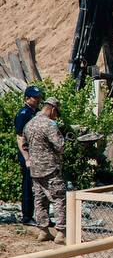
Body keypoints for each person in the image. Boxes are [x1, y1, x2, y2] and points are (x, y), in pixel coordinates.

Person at [22, 96, 65, 243]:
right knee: (59, 198)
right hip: (50, 168)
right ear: (52, 109)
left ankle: (43, 231)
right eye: (56, 113)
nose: (56, 116)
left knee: (39, 200)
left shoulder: (29, 124)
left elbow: (24, 145)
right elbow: (60, 146)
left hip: (35, 169)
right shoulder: (49, 125)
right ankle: (61, 233)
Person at [14, 86, 42, 226]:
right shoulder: (23, 113)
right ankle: (27, 216)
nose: (37, 100)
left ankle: (38, 215)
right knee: (28, 185)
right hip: (27, 155)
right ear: (27, 98)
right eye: (35, 97)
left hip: (37, 154)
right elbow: (20, 137)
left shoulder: (36, 112)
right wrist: (27, 158)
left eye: (38, 97)